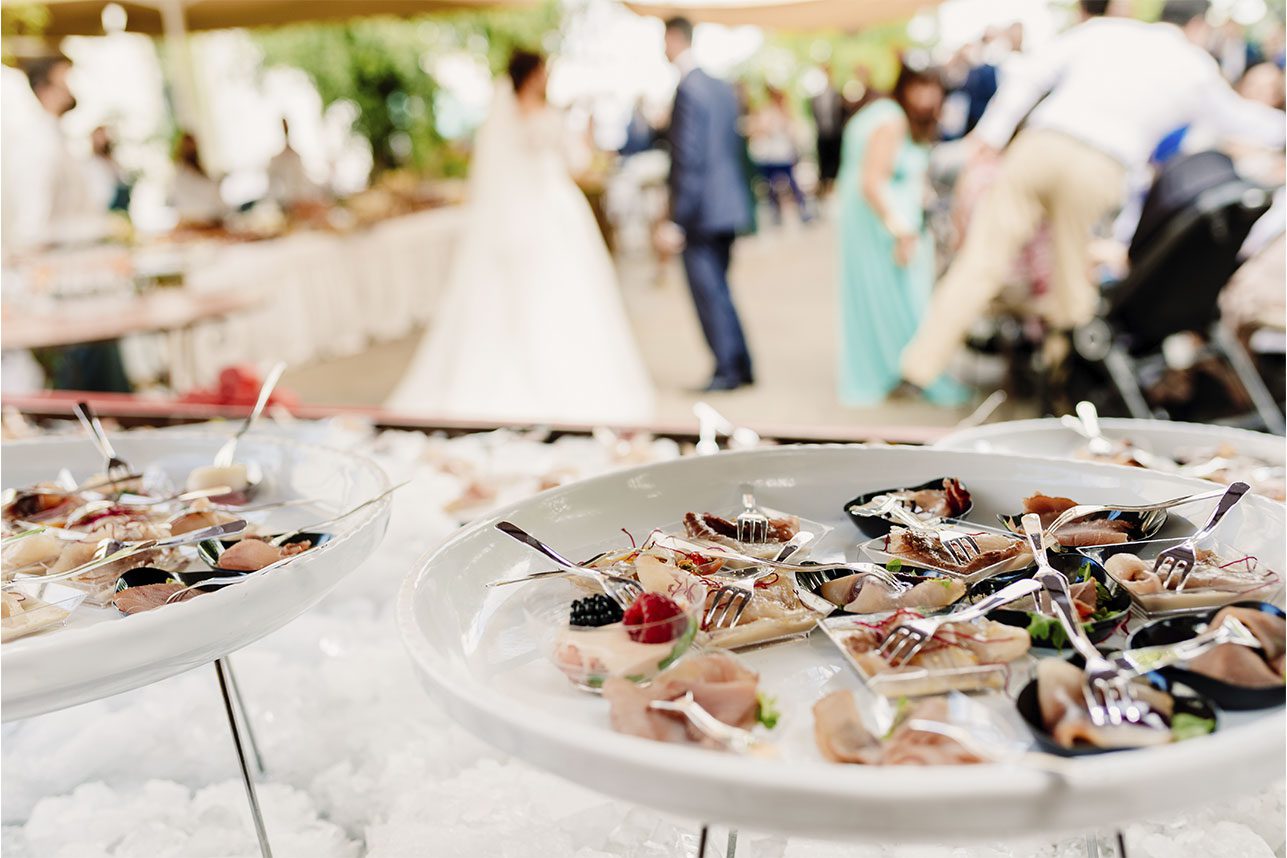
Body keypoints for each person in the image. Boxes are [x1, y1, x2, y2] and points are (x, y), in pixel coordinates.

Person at [899, 0, 1286, 392]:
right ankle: (1063, 382)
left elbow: (1031, 73)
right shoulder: (1196, 65)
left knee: (979, 261)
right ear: (1199, 26)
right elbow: (1242, 121)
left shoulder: (1108, 31)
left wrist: (991, 136)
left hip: (1040, 145)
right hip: (1100, 167)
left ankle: (919, 368)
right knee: (1072, 281)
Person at [386, 51, 655, 424]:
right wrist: (585, 134)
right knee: (560, 292)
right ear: (532, 75)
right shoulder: (546, 116)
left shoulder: (502, 119)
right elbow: (576, 162)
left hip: (521, 216)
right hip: (551, 213)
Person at [836, 63, 968, 407]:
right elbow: (871, 182)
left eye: (932, 87)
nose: (926, 95)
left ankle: (901, 370)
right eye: (919, 86)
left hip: (877, 221)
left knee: (892, 299)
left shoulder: (889, 115)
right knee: (900, 299)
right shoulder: (890, 120)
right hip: (883, 224)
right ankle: (908, 371)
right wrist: (901, 229)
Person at [659, 17, 755, 392]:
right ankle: (742, 364)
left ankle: (727, 369)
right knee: (722, 289)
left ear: (673, 38)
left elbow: (690, 159)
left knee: (708, 291)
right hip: (728, 205)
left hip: (700, 211)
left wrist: (676, 220)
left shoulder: (688, 89)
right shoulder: (720, 87)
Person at [749, 86, 811, 224]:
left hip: (783, 153)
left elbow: (792, 131)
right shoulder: (767, 111)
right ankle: (776, 214)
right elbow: (760, 129)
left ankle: (802, 210)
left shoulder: (785, 112)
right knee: (771, 185)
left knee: (791, 183)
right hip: (771, 155)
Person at [267, 119, 326, 210]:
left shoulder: (296, 157)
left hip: (298, 202)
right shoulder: (277, 160)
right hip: (288, 204)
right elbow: (272, 188)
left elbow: (303, 180)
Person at [171, 131, 226, 226]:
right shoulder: (181, 172)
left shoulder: (199, 170)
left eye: (194, 143)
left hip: (210, 217)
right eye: (189, 144)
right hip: (194, 218)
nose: (192, 147)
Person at [810, 64, 844, 196]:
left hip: (835, 134)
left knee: (836, 162)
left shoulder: (837, 94)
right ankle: (825, 188)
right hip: (823, 134)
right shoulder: (815, 96)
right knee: (824, 163)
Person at [86, 126, 131, 213]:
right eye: (98, 136)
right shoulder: (90, 164)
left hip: (116, 206)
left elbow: (123, 180)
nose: (101, 140)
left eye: (103, 136)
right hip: (99, 207)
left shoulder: (114, 162)